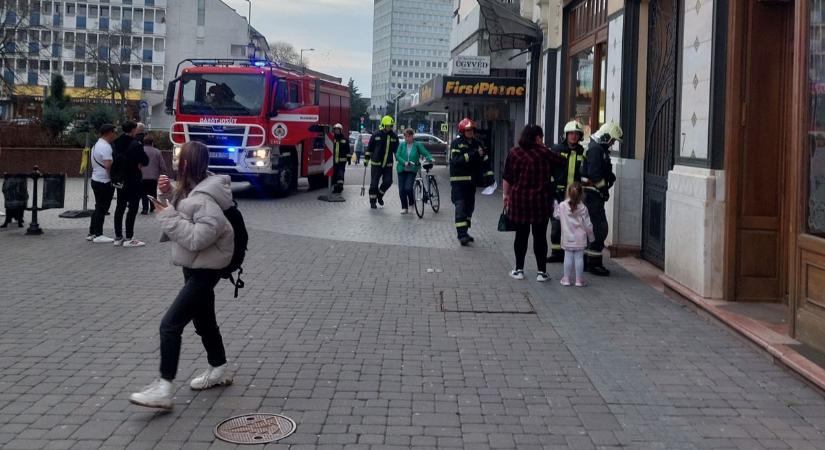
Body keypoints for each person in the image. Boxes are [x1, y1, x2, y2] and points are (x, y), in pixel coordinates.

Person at [129, 141, 235, 410]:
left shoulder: (205, 199)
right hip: (196, 267)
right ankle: (219, 366)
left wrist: (166, 216)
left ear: (187, 163)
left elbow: (197, 238)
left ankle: (164, 388)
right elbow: (184, 212)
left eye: (179, 158)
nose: (176, 162)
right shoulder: (195, 189)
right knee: (204, 320)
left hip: (204, 270)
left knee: (170, 325)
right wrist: (166, 196)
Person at [502, 125, 562, 281]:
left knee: (521, 236)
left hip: (519, 201)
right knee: (540, 237)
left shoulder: (514, 153)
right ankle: (541, 272)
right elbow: (562, 161)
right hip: (540, 202)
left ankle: (519, 270)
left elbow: (507, 177)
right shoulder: (545, 154)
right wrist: (546, 148)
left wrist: (505, 195)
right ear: (537, 138)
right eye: (541, 137)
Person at [581, 121, 622, 276]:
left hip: (593, 195)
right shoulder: (595, 150)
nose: (612, 143)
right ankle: (594, 263)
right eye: (612, 140)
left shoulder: (598, 149)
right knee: (600, 229)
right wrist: (604, 190)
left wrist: (610, 176)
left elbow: (602, 171)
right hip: (592, 195)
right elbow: (595, 175)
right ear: (605, 136)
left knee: (594, 228)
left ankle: (587, 261)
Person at [548, 120, 586, 263]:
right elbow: (548, 168)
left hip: (575, 194)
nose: (573, 137)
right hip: (558, 192)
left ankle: (571, 251)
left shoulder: (583, 151)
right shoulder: (557, 149)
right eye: (571, 134)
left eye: (576, 134)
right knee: (557, 224)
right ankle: (556, 253)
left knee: (574, 224)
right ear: (566, 135)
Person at [112, 122, 149, 247]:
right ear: (133, 130)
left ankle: (118, 237)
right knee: (132, 208)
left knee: (120, 207)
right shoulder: (136, 144)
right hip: (133, 179)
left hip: (120, 179)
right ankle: (129, 237)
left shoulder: (116, 143)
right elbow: (145, 161)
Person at [450, 118, 485, 245]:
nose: (471, 132)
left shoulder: (478, 143)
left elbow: (483, 161)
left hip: (471, 183)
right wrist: (473, 154)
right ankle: (461, 235)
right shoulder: (456, 143)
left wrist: (487, 177)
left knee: (469, 208)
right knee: (460, 207)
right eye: (468, 130)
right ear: (462, 131)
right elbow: (456, 161)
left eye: (472, 130)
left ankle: (465, 230)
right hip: (458, 183)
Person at [554, 183, 595, 287]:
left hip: (567, 238)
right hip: (580, 239)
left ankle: (566, 279)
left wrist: (555, 206)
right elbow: (588, 225)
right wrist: (591, 237)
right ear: (581, 194)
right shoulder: (583, 208)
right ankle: (579, 280)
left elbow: (556, 216)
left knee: (567, 258)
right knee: (579, 259)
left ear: (568, 193)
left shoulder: (563, 206)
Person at [86, 124, 117, 243]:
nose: (115, 134)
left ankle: (92, 232)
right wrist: (112, 180)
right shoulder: (106, 147)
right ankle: (98, 234)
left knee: (98, 206)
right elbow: (108, 165)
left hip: (96, 179)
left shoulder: (96, 145)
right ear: (109, 133)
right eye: (114, 132)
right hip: (104, 181)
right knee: (102, 208)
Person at [396, 128, 433, 214]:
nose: (407, 138)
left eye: (409, 136)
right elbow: (397, 155)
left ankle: (411, 203)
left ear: (412, 136)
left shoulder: (417, 145)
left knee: (408, 188)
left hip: (412, 169)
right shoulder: (402, 145)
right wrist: (404, 162)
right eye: (405, 136)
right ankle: (404, 207)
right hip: (402, 169)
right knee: (401, 190)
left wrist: (430, 157)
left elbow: (425, 153)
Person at [365, 116, 400, 209]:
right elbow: (369, 148)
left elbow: (397, 151)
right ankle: (373, 202)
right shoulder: (376, 134)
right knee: (374, 184)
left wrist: (399, 160)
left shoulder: (394, 137)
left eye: (391, 126)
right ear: (384, 125)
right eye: (388, 125)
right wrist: (366, 159)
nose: (390, 127)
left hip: (388, 164)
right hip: (376, 164)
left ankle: (380, 195)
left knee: (388, 181)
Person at [140, 135, 168, 215]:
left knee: (143, 193)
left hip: (142, 176)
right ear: (152, 143)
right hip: (154, 176)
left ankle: (145, 209)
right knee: (152, 192)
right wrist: (164, 172)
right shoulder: (157, 152)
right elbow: (162, 165)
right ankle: (153, 206)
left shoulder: (140, 151)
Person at [331, 124, 350, 196]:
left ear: (341, 130)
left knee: (340, 174)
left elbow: (348, 150)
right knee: (335, 175)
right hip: (333, 161)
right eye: (335, 130)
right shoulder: (332, 139)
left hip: (342, 161)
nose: (337, 131)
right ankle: (336, 188)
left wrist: (349, 159)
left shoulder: (344, 139)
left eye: (338, 130)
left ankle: (340, 186)